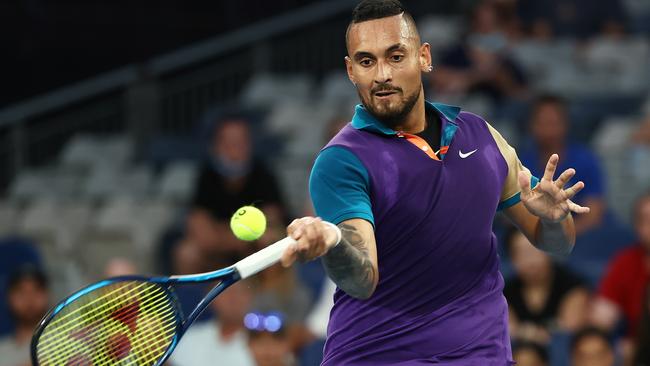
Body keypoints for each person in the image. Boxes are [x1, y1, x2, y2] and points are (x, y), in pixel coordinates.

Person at [278, 1, 590, 364]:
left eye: (395, 57)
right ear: (350, 70)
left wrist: (553, 219)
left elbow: (557, 242)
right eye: (366, 61)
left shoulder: (481, 136)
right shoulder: (342, 161)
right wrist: (332, 241)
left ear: (424, 57)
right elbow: (363, 276)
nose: (381, 74)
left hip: (479, 356)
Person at [185, 115, 287, 269]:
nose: (234, 149)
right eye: (228, 143)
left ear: (249, 145)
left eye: (240, 142)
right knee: (187, 252)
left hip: (254, 252)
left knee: (270, 243)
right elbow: (202, 232)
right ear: (216, 146)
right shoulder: (206, 176)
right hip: (217, 254)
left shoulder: (264, 174)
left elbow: (272, 224)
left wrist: (222, 234)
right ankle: (195, 293)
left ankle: (269, 294)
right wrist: (238, 239)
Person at [520, 94, 605, 235]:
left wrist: (557, 236)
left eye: (553, 123)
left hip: (578, 236)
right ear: (531, 126)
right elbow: (514, 215)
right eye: (542, 123)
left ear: (565, 124)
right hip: (534, 237)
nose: (549, 131)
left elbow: (593, 216)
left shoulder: (586, 160)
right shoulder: (522, 162)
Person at [504, 227, 590, 344]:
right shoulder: (504, 292)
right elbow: (507, 330)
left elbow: (569, 331)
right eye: (522, 254)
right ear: (512, 259)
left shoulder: (573, 284)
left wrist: (528, 333)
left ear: (549, 250)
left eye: (535, 251)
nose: (531, 261)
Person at [591, 192, 650, 339]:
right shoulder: (625, 263)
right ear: (637, 227)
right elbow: (602, 317)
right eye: (647, 220)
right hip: (639, 348)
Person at [169, 281, 256, 366]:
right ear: (210, 299)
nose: (233, 298)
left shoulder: (264, 344)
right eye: (225, 292)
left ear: (250, 295)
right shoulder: (188, 337)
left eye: (239, 291)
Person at [0, 266, 49, 366]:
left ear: (47, 295)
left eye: (36, 290)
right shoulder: (2, 350)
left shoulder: (65, 340)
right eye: (21, 292)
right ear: (9, 298)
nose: (29, 298)